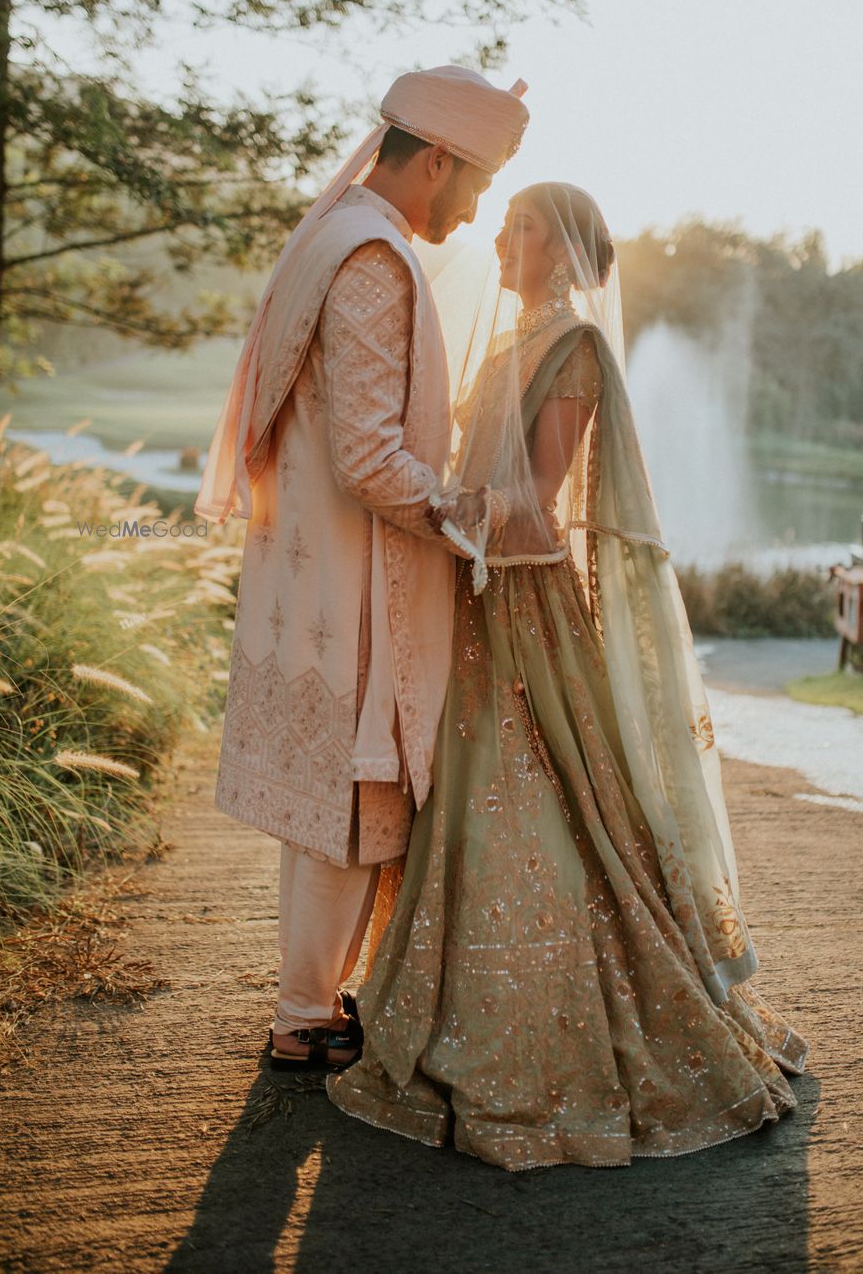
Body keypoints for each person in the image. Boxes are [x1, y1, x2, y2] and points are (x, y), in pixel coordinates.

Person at [327, 182, 808, 1167]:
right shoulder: (502, 345)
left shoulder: (572, 349)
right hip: (473, 596)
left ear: (569, 250)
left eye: (524, 226)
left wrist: (445, 509)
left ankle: (574, 1019)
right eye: (503, 222)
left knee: (546, 804)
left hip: (526, 609)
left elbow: (540, 512)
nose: (502, 237)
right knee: (465, 800)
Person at [193, 66, 529, 1069]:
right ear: (433, 158)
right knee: (352, 808)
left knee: (328, 811)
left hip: (309, 574)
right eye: (472, 186)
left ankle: (312, 1002)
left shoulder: (331, 232)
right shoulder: (375, 260)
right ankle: (305, 1017)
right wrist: (478, 516)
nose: (472, 214)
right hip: (353, 581)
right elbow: (371, 459)